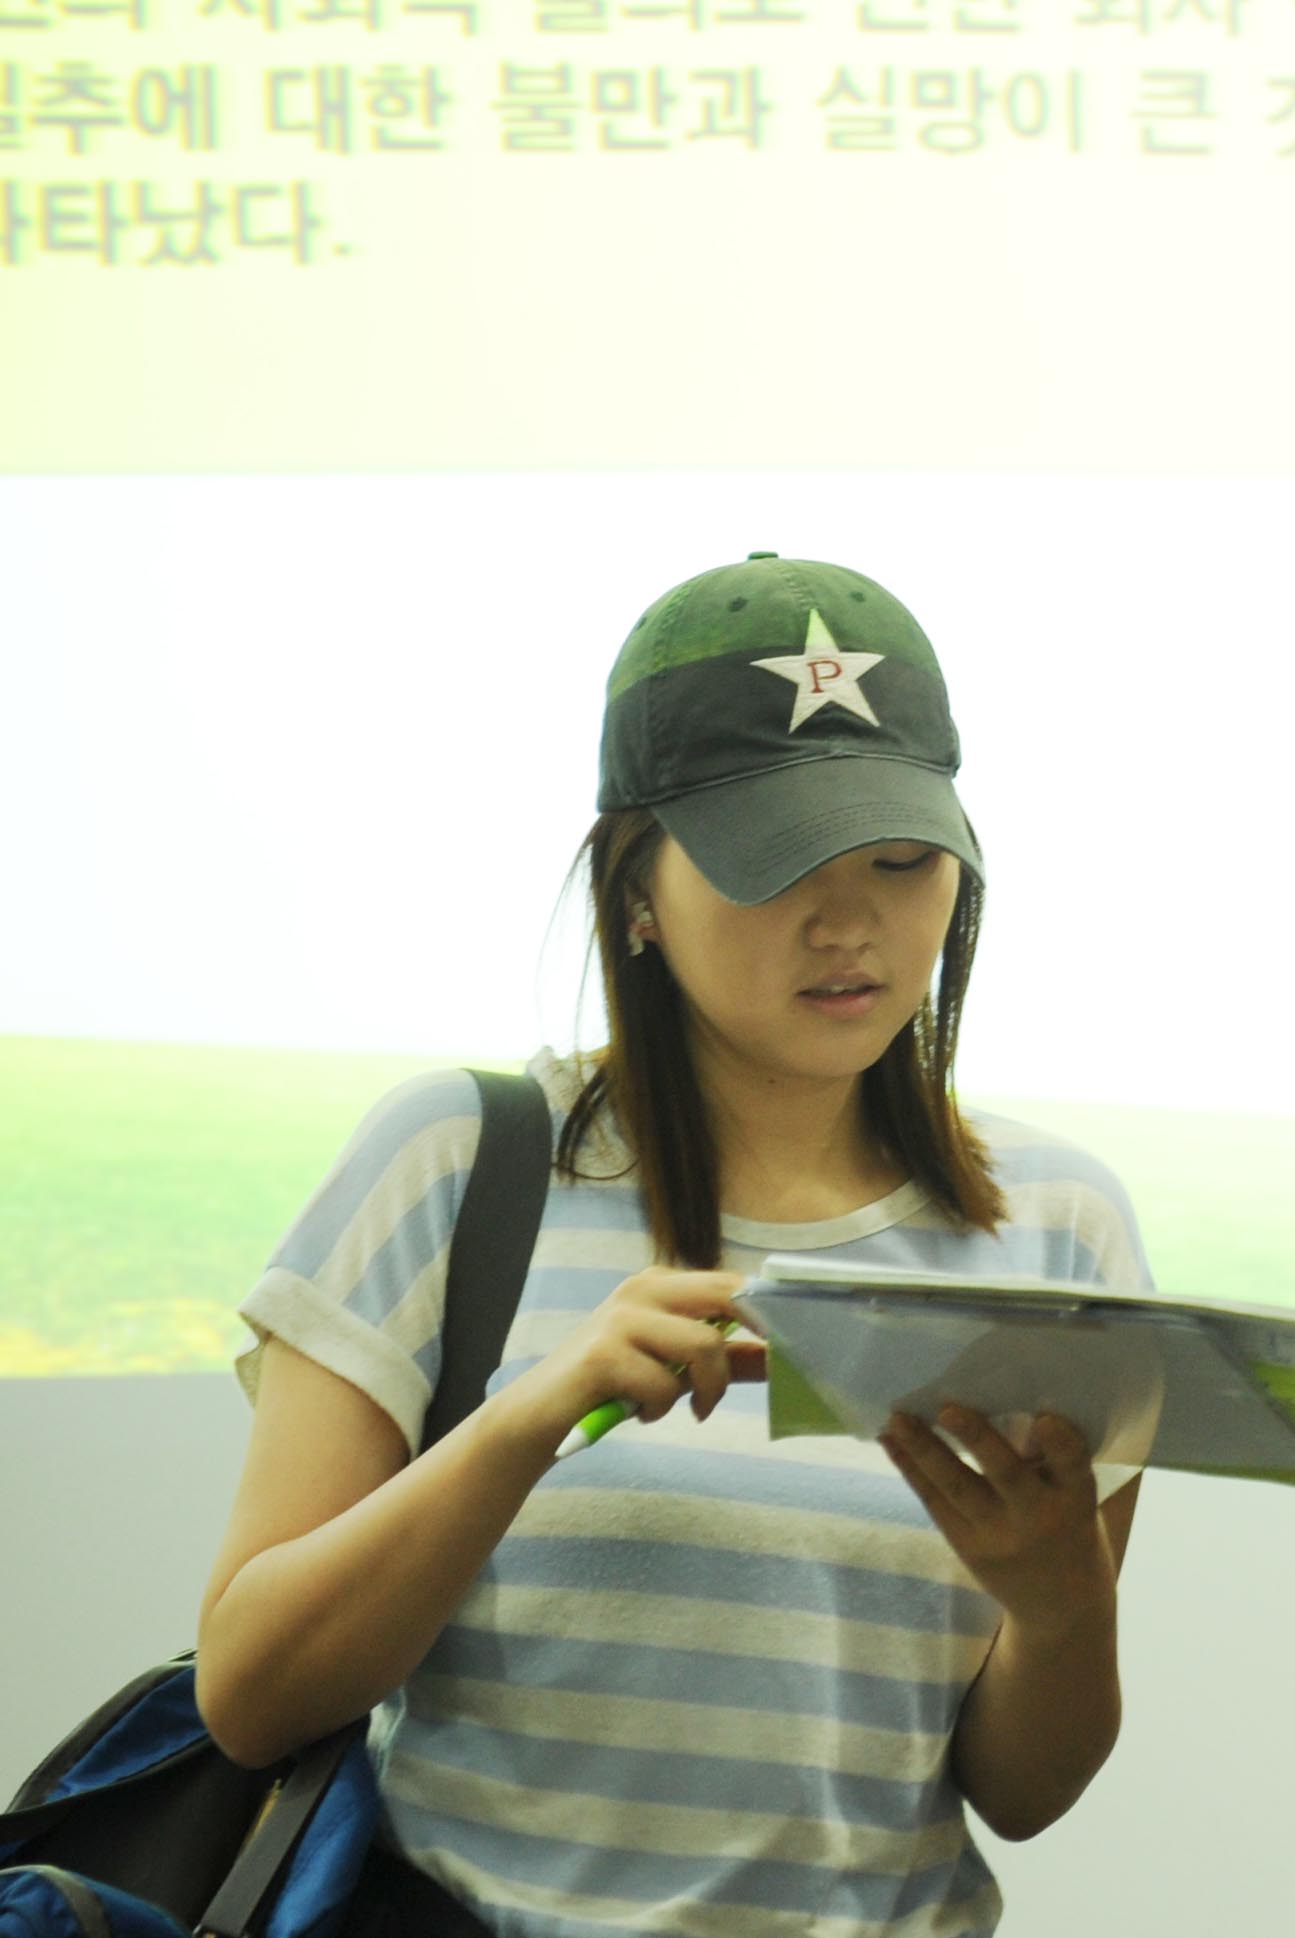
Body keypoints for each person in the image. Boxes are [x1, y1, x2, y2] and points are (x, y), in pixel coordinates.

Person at [196, 552, 1147, 1938]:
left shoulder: (1061, 1226)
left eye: (900, 861)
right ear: (634, 887)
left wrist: (1061, 1612)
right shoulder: (455, 1159)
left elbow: (1022, 1790)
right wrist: (529, 1419)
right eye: (777, 862)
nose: (850, 923)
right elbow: (249, 1692)